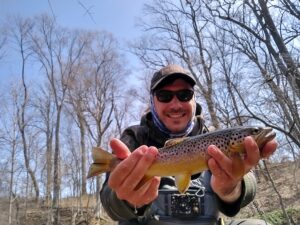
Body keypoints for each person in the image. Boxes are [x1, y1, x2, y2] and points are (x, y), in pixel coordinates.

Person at [100, 64, 277, 225]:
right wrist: (126, 199)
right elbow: (109, 201)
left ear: (194, 99)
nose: (175, 104)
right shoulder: (134, 137)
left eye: (185, 95)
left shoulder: (214, 135)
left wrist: (231, 189)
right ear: (153, 101)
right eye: (164, 96)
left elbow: (248, 185)